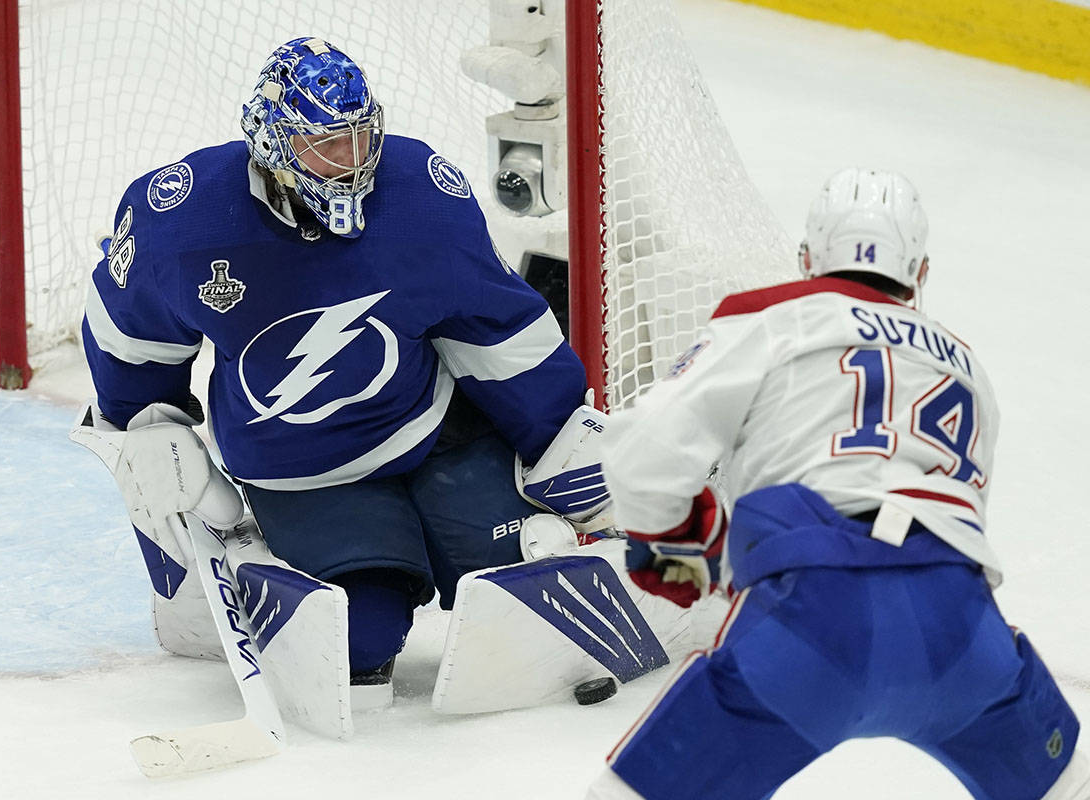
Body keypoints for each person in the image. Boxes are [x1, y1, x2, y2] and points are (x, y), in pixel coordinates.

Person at [75, 36, 608, 698]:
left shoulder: (421, 195)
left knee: (529, 574)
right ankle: (257, 554)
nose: (350, 161)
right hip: (305, 468)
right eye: (324, 143)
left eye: (359, 138)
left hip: (433, 429)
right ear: (270, 142)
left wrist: (559, 433)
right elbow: (130, 333)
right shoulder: (183, 220)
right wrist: (146, 421)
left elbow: (496, 329)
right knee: (359, 642)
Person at [585, 168, 1089, 800]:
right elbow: (915, 504)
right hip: (964, 637)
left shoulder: (772, 317)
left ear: (807, 260)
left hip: (812, 626)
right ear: (920, 274)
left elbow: (644, 448)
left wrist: (678, 538)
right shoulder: (969, 369)